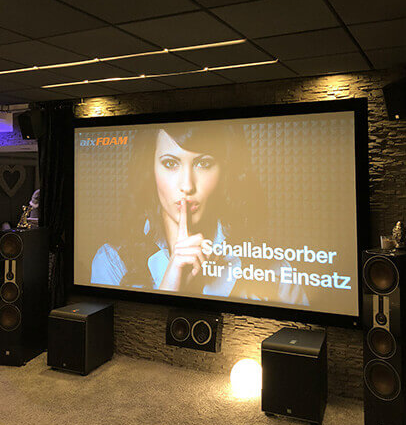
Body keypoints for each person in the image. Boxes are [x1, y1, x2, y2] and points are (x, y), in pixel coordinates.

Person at [91, 121, 308, 306]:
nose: (187, 185)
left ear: (226, 172)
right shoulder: (112, 262)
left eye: (204, 164)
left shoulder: (276, 271)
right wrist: (172, 283)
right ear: (151, 171)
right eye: (170, 163)